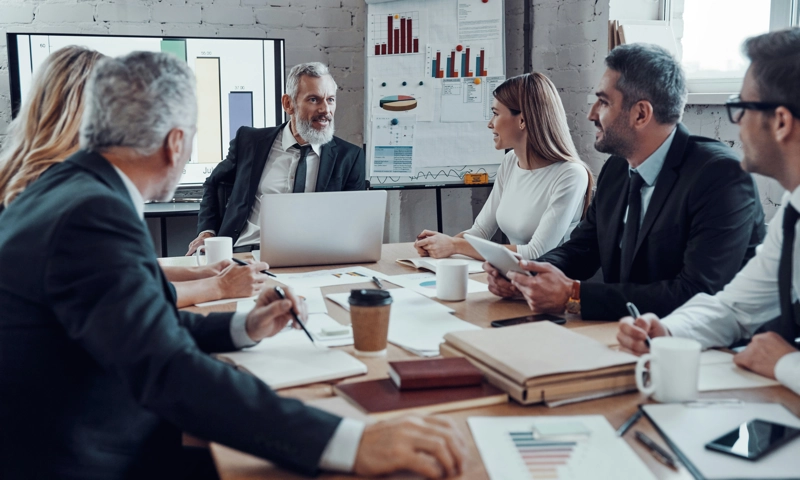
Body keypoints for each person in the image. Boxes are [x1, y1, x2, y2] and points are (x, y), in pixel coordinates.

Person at [0, 51, 465, 479]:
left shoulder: (70, 190)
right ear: (175, 142)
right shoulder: (95, 214)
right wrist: (351, 441)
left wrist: (245, 327)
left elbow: (140, 324)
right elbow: (168, 370)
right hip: (84, 457)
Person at [485, 43, 766, 321]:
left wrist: (575, 296)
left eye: (604, 102)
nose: (591, 114)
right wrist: (526, 273)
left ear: (641, 114)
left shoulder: (720, 176)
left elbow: (696, 292)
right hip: (626, 329)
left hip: (700, 341)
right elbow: (583, 248)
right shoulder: (617, 168)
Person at [0, 45, 266, 308]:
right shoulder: (77, 194)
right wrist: (218, 286)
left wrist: (200, 273)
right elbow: (119, 298)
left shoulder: (28, 175)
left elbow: (116, 271)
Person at [617, 28, 800, 395]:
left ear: (780, 122)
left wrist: (785, 363)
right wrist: (668, 329)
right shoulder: (793, 211)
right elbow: (734, 309)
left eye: (742, 107)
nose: (737, 121)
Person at [189, 62, 366, 254]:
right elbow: (213, 184)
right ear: (288, 104)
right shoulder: (250, 142)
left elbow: (353, 222)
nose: (325, 109)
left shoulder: (349, 157)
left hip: (313, 255)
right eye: (314, 99)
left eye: (330, 100)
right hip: (246, 251)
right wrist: (207, 232)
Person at [414, 73, 592, 261]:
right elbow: (481, 231)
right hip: (511, 273)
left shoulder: (571, 174)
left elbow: (536, 253)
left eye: (496, 114)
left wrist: (454, 246)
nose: (490, 124)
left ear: (522, 120)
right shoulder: (510, 162)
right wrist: (440, 244)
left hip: (550, 277)